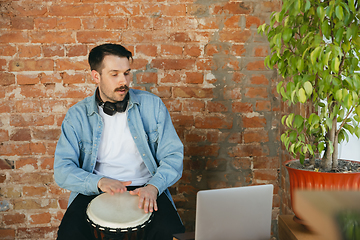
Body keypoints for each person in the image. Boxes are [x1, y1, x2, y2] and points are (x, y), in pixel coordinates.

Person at [54, 43, 185, 240]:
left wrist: (154, 187)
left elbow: (173, 156)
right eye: (114, 74)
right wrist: (98, 182)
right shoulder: (77, 116)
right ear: (96, 76)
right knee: (69, 234)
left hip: (147, 187)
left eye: (127, 73)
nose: (124, 81)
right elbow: (62, 169)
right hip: (95, 188)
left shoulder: (153, 106)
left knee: (172, 234)